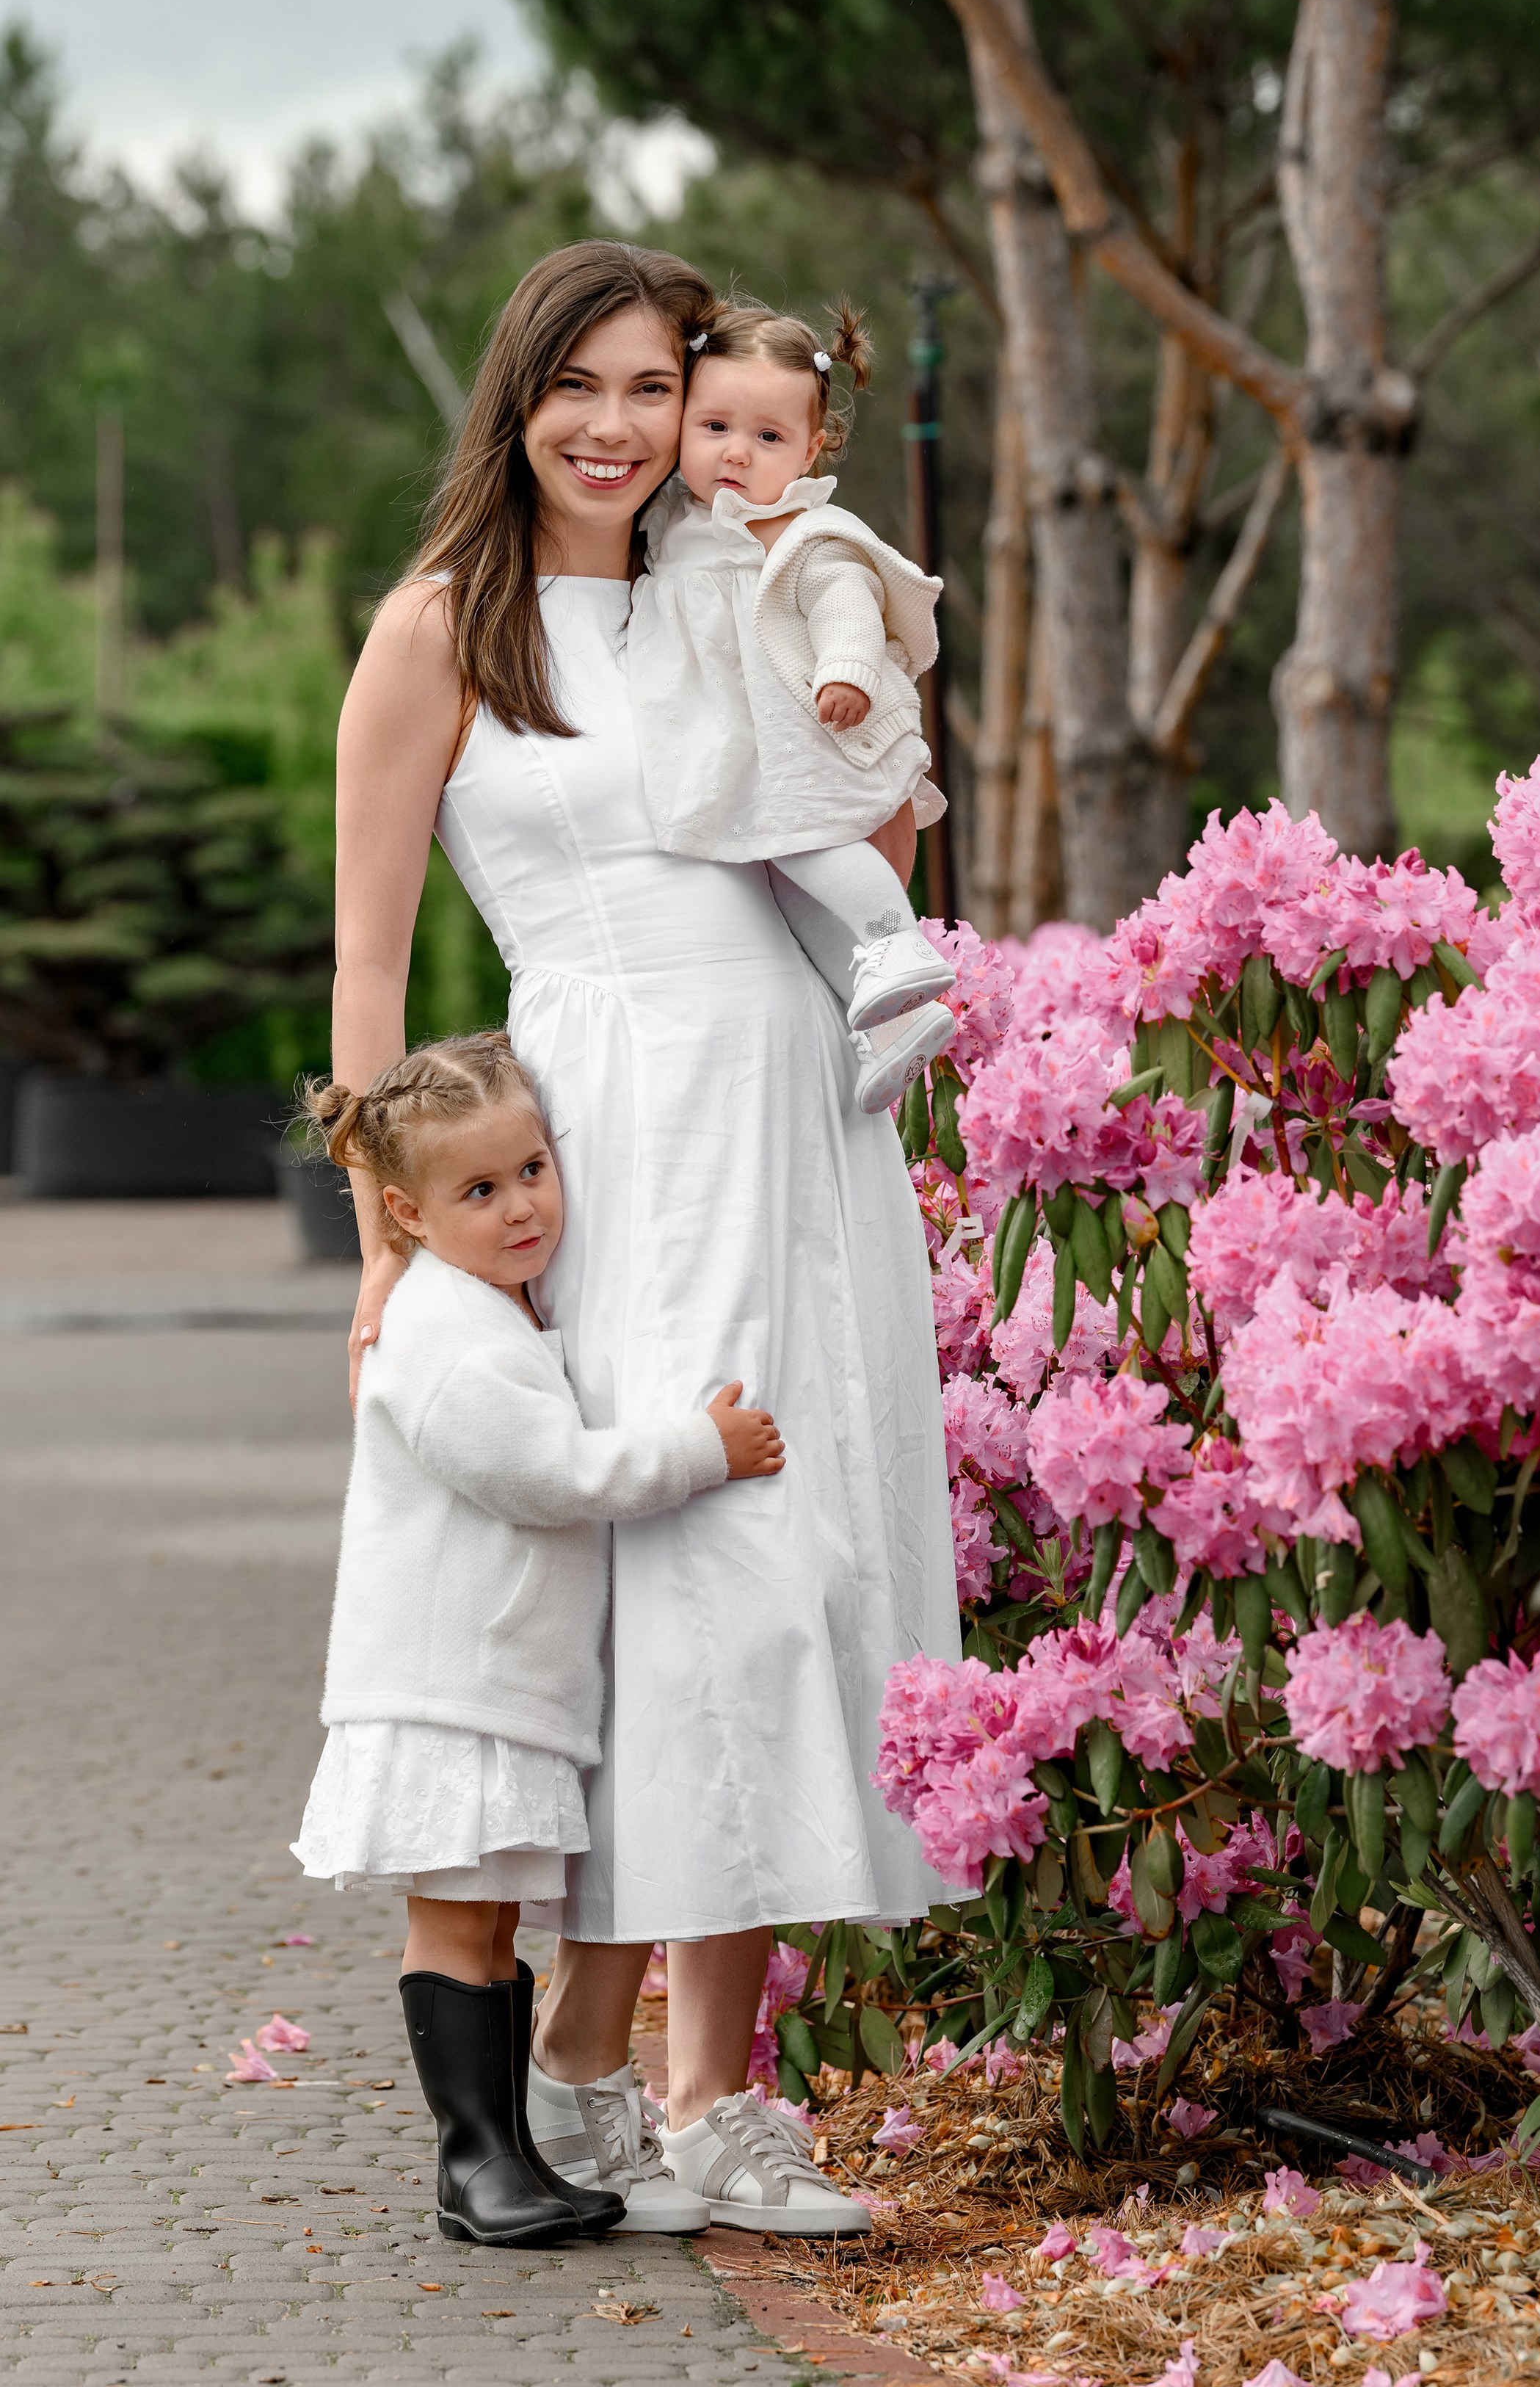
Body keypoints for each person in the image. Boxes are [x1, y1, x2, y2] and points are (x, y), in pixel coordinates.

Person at [333, 239, 964, 2241]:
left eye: (651, 387)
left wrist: (875, 759)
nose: (614, 429)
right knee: (686, 1578)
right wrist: (385, 1239)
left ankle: (674, 2084)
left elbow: (855, 840)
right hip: (607, 1123)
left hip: (794, 1102)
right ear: (516, 398)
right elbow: (367, 964)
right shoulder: (441, 627)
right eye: (576, 387)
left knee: (801, 1559)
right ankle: (629, 2073)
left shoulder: (736, 581)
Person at [291, 1030, 784, 2246]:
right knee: (459, 1921)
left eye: (531, 1170)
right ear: (406, 1214)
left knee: (494, 1922)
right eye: (480, 1190)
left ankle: (507, 2156)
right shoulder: (443, 1335)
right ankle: (471, 2164)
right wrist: (700, 1450)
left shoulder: (491, 1313)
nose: (521, 1206)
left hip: (500, 1686)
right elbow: (550, 1475)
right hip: (448, 1691)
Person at [628, 299, 956, 1115]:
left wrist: (846, 671)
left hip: (799, 737)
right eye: (714, 427)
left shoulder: (803, 532)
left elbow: (846, 602)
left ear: (811, 450)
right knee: (785, 883)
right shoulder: (671, 520)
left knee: (814, 844)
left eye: (768, 437)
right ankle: (887, 1020)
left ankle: (894, 939)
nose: (736, 452)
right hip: (734, 744)